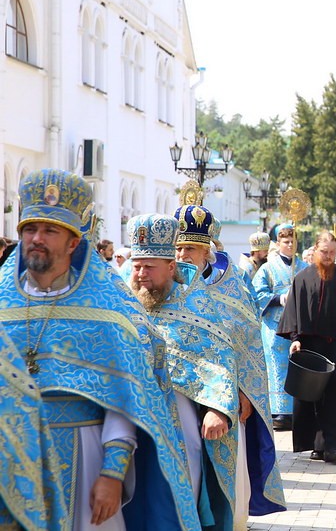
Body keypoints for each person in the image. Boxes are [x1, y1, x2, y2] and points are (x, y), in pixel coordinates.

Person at [0, 170, 199, 530]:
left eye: (50, 230)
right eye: (30, 229)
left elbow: (125, 400)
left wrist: (112, 473)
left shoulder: (107, 311)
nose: (37, 239)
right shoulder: (2, 302)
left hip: (85, 453)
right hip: (9, 457)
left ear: (73, 243)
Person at [124, 212, 242, 528]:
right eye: (136, 266)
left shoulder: (195, 301)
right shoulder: (123, 299)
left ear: (171, 266)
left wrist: (218, 408)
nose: (141, 274)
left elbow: (220, 356)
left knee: (182, 481)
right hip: (128, 411)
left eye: (149, 267)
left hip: (180, 410)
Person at [173, 206, 287, 524]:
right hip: (177, 398)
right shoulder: (165, 287)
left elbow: (249, 343)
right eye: (178, 248)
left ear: (206, 251)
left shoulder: (231, 285)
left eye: (190, 248)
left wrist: (246, 393)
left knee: (225, 483)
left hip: (224, 401)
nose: (182, 255)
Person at [278, 231, 336, 463]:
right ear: (315, 250)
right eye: (324, 252)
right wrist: (295, 338)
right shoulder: (302, 278)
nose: (328, 256)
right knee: (311, 396)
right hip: (310, 345)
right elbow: (294, 310)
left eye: (332, 253)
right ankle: (316, 445)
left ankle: (334, 445)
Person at [252, 223, 306, 430]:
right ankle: (278, 411)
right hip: (274, 326)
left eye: (293, 241)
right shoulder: (268, 268)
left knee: (296, 366)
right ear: (278, 243)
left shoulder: (304, 267)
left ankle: (296, 411)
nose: (290, 245)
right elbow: (257, 294)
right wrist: (280, 298)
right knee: (276, 366)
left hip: (298, 326)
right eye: (286, 241)